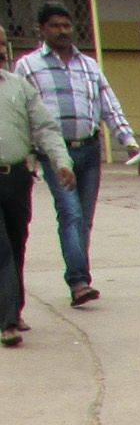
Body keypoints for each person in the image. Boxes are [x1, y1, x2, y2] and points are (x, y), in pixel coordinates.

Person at [13, 0, 139, 308]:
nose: (62, 31)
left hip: (89, 149)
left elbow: (108, 105)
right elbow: (22, 112)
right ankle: (79, 282)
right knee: (70, 214)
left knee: (84, 219)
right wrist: (27, 153)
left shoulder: (89, 65)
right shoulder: (28, 66)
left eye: (66, 25)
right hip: (56, 155)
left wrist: (129, 141)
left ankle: (78, 275)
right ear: (42, 30)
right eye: (54, 26)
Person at [1, 31, 72, 348]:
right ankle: (7, 321)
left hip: (15, 176)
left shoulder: (18, 86)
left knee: (16, 243)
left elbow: (44, 127)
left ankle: (13, 310)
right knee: (0, 248)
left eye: (2, 43)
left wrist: (61, 162)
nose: (1, 50)